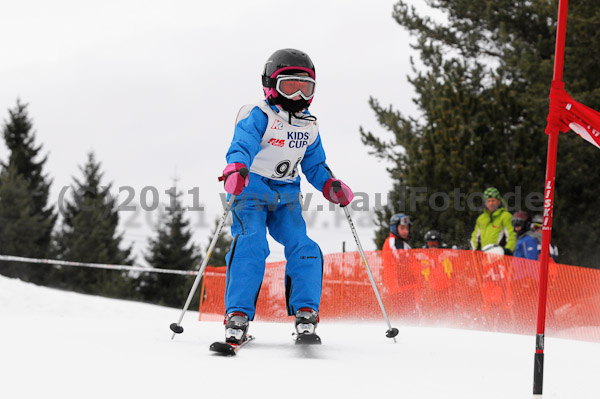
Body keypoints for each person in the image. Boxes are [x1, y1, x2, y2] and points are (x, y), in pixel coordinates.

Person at [219, 48, 353, 344]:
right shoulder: (259, 114)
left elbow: (315, 164)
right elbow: (243, 143)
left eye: (305, 88)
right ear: (271, 85)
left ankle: (306, 311)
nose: (298, 96)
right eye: (290, 86)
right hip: (251, 188)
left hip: (286, 196)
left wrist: (330, 184)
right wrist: (236, 168)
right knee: (251, 242)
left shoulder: (309, 126)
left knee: (304, 246)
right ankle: (237, 314)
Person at [470, 187, 516, 255]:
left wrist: (507, 251)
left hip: (501, 257)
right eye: (488, 201)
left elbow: (512, 236)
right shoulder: (481, 219)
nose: (491, 203)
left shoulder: (506, 216)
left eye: (493, 200)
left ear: (499, 201)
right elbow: (474, 237)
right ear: (485, 203)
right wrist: (474, 252)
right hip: (484, 257)